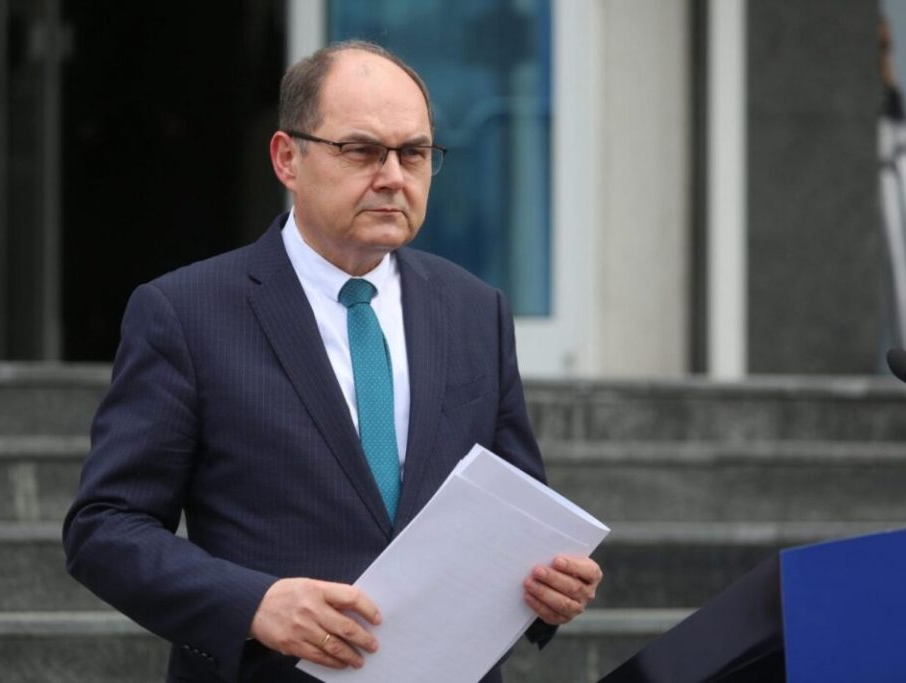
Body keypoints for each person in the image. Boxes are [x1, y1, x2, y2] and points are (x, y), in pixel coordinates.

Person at [62, 39, 603, 683]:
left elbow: (519, 516)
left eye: (414, 153)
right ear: (287, 158)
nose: (393, 177)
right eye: (362, 151)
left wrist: (548, 585)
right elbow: (106, 528)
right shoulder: (186, 313)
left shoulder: (474, 310)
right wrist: (254, 604)